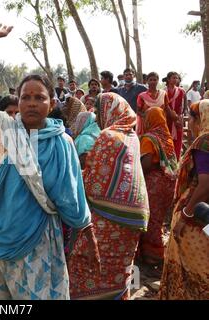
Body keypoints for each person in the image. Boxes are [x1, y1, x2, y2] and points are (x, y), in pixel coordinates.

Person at [0, 23, 100, 300]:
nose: (32, 103)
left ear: (52, 102)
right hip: (2, 236)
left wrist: (85, 228)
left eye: (39, 97)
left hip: (40, 240)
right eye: (25, 97)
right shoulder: (5, 129)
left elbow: (71, 197)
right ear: (17, 101)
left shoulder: (61, 142)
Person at [68, 93, 149, 300]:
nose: (97, 116)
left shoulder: (108, 136)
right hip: (135, 218)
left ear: (108, 111)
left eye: (99, 110)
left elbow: (94, 180)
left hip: (109, 216)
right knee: (121, 266)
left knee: (85, 260)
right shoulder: (133, 137)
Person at [159, 100, 209, 300]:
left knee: (191, 267)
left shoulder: (204, 142)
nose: (189, 122)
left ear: (201, 118)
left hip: (196, 212)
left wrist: (185, 216)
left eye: (191, 117)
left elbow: (205, 184)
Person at [138, 107, 178, 272]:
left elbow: (146, 164)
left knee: (151, 220)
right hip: (168, 184)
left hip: (154, 184)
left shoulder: (149, 138)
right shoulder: (166, 137)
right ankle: (155, 251)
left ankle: (153, 255)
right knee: (158, 219)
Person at [165, 72, 186, 160]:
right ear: (168, 79)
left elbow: (184, 105)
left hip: (178, 119)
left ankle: (177, 160)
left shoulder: (181, 91)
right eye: (173, 78)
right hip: (167, 119)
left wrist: (180, 117)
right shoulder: (163, 91)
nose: (175, 80)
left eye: (176, 78)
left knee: (178, 140)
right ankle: (168, 160)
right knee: (167, 139)